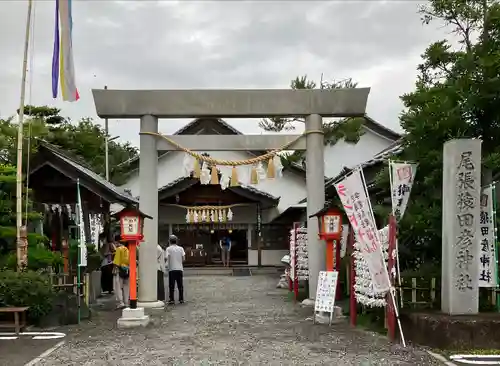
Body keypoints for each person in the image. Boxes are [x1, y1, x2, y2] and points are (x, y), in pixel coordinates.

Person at [165, 234, 185, 305]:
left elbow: (166, 258)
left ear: (170, 241)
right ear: (176, 241)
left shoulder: (168, 249)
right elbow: (183, 259)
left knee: (171, 285)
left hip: (172, 269)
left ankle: (172, 299)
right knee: (180, 285)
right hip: (179, 268)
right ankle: (181, 299)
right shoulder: (181, 248)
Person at [113, 237, 130, 309]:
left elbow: (116, 262)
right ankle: (126, 302)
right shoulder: (128, 250)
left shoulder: (119, 249)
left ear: (118, 242)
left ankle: (120, 302)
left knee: (117, 287)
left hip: (119, 270)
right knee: (126, 286)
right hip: (127, 269)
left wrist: (114, 268)